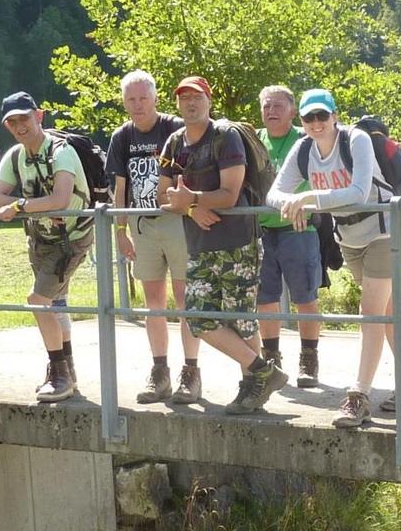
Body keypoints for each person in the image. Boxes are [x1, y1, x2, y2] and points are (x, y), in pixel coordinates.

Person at [268, 88, 401, 428]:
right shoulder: (304, 149)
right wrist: (291, 203)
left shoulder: (356, 140)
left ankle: (359, 395)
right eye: (309, 117)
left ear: (335, 116)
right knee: (385, 312)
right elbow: (273, 193)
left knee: (370, 313)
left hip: (383, 231)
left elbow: (357, 192)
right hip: (350, 238)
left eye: (322, 116)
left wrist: (307, 198)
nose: (316, 123)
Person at [157, 75, 288, 412]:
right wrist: (190, 208)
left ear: (208, 100)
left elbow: (230, 194)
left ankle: (251, 389)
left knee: (241, 320)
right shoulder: (173, 143)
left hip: (237, 242)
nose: (190, 103)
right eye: (183, 97)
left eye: (196, 97)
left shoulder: (226, 137)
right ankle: (264, 373)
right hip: (199, 243)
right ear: (177, 103)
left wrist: (194, 199)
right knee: (197, 316)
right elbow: (162, 195)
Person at [0, 92, 94, 402]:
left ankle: (58, 371)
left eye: (25, 117)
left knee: (38, 301)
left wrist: (20, 205)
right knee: (55, 305)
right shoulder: (15, 156)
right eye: (13, 121)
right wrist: (24, 205)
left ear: (39, 115)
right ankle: (68, 371)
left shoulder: (62, 152)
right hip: (41, 240)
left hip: (71, 239)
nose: (20, 126)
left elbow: (60, 201)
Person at [106, 70, 202, 404]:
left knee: (185, 298)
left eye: (143, 98)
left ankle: (190, 372)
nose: (137, 105)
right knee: (153, 303)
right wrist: (121, 230)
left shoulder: (174, 127)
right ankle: (159, 370)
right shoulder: (121, 136)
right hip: (141, 225)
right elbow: (119, 188)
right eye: (130, 99)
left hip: (177, 223)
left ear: (155, 97)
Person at [255, 85, 322, 388]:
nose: (271, 111)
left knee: (305, 297)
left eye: (278, 106)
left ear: (293, 111)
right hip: (262, 230)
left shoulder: (307, 140)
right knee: (264, 298)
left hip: (299, 230)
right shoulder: (254, 140)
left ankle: (309, 359)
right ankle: (271, 359)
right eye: (267, 106)